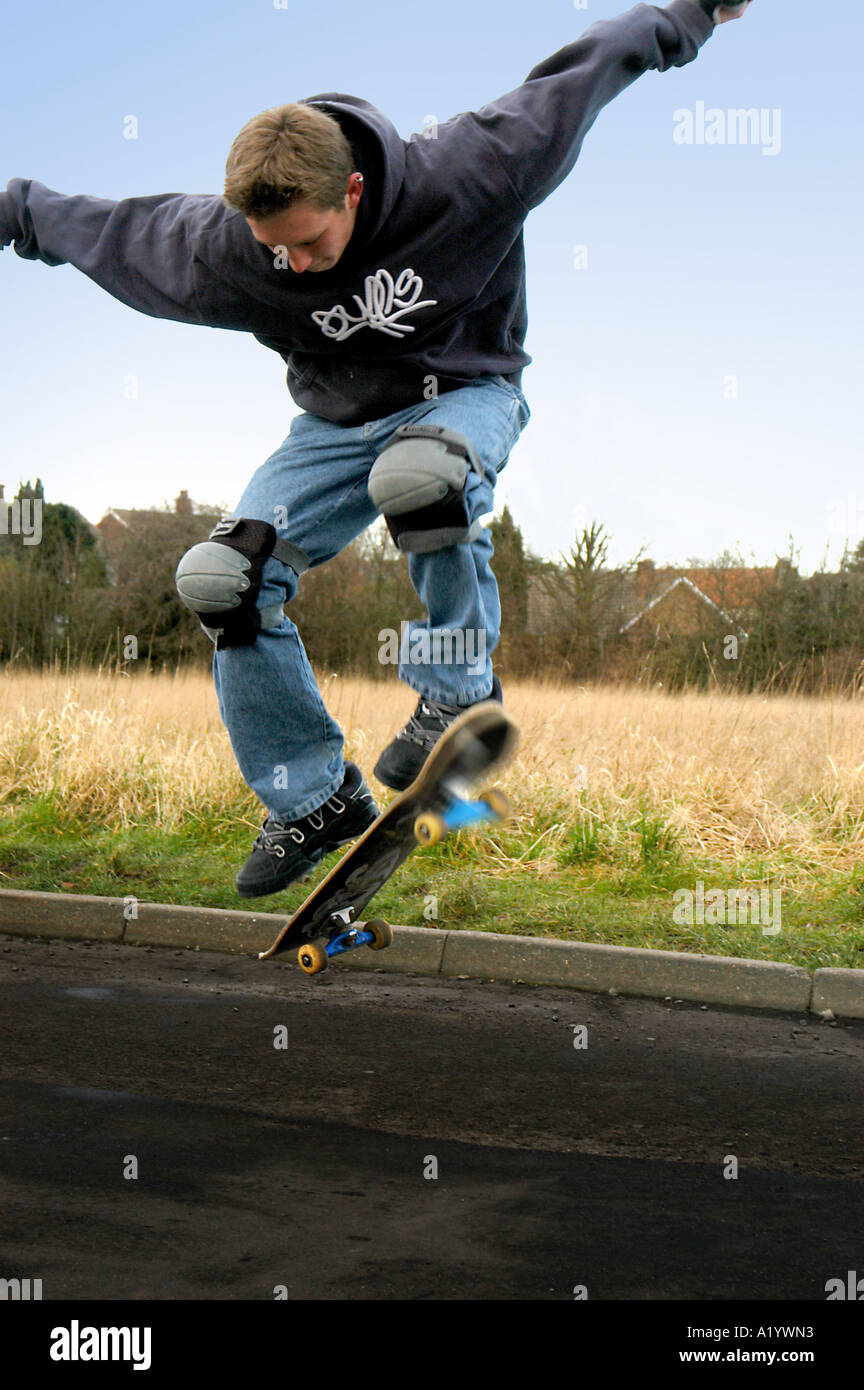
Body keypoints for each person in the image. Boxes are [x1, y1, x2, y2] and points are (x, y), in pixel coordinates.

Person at [0, 0, 753, 898]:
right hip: (331, 429)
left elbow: (593, 64)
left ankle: (457, 691)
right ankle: (312, 799)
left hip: (469, 397)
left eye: (311, 242)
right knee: (221, 580)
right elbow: (100, 227)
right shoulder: (225, 249)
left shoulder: (473, 169)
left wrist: (699, 10)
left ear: (352, 191)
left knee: (420, 477)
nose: (296, 265)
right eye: (274, 250)